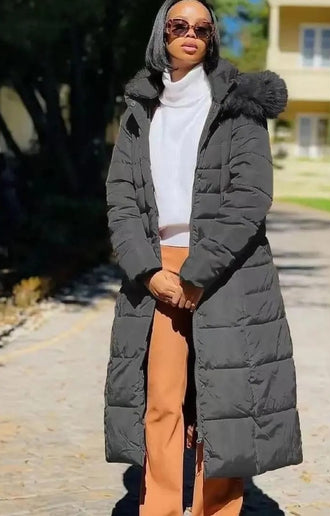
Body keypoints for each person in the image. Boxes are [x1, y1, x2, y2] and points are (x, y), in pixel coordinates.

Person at [103, 0, 303, 514]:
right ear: (162, 34)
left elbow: (250, 196)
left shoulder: (239, 105)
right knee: (160, 401)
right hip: (155, 272)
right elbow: (120, 199)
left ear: (211, 38)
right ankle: (161, 508)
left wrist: (197, 273)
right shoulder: (138, 111)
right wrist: (149, 271)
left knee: (225, 403)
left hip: (227, 271)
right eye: (178, 25)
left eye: (202, 27)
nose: (190, 33)